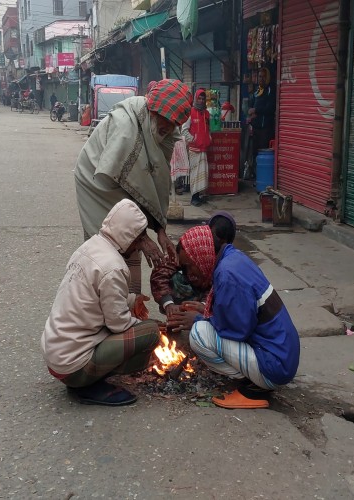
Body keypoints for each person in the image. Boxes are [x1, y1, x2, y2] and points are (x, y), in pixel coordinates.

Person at [74, 78, 194, 294]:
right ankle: (101, 301)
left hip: (121, 182)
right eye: (165, 119)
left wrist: (160, 229)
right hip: (98, 181)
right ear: (153, 110)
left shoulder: (165, 131)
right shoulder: (126, 127)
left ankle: (132, 302)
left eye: (175, 123)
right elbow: (117, 182)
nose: (169, 126)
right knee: (108, 245)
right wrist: (140, 236)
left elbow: (155, 180)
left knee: (132, 246)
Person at [41, 199, 160, 406]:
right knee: (151, 332)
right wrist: (142, 325)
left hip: (56, 356)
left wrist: (132, 301)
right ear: (127, 236)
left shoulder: (91, 246)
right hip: (72, 367)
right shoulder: (113, 266)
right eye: (139, 239)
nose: (139, 247)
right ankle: (88, 384)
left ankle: (85, 379)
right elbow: (118, 324)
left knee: (139, 326)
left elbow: (97, 299)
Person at [167, 225, 300, 409]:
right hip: (282, 355)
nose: (189, 274)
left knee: (198, 335)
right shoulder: (233, 258)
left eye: (188, 266)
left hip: (275, 366)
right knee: (204, 328)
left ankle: (256, 386)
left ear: (200, 256)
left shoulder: (227, 274)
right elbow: (240, 312)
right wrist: (206, 309)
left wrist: (199, 319)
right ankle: (255, 377)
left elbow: (237, 331)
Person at [150, 211, 236, 324]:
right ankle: (178, 314)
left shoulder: (225, 270)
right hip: (187, 295)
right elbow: (160, 273)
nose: (216, 246)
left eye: (221, 243)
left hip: (207, 305)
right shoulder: (190, 248)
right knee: (176, 278)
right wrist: (168, 303)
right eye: (212, 237)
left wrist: (204, 307)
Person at [183, 88, 212, 206]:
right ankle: (194, 198)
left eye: (203, 98)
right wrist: (192, 139)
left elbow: (208, 129)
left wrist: (209, 138)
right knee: (195, 174)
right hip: (194, 149)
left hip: (203, 149)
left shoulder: (206, 114)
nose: (201, 100)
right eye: (199, 98)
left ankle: (199, 196)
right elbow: (184, 130)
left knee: (203, 173)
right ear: (195, 99)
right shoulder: (191, 112)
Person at [248, 67, 276, 158]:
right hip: (256, 128)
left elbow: (270, 108)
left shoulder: (270, 91)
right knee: (254, 154)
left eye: (263, 77)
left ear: (267, 78)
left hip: (265, 130)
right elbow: (252, 105)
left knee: (263, 154)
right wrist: (250, 115)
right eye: (260, 76)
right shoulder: (257, 91)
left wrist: (256, 110)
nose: (261, 79)